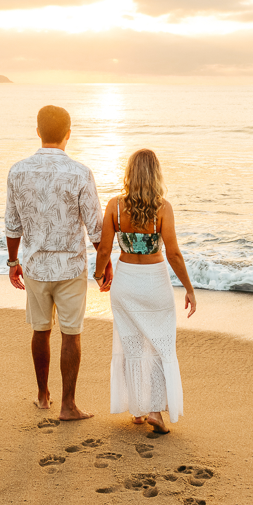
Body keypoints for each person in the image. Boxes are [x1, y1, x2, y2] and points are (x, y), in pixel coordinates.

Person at [5, 105, 113, 421]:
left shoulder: (18, 171)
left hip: (36, 266)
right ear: (68, 133)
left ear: (38, 131)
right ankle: (68, 405)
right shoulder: (80, 172)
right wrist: (103, 264)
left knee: (40, 330)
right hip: (69, 267)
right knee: (71, 335)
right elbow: (95, 226)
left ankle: (42, 395)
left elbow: (12, 224)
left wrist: (13, 261)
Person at [93, 149, 196, 434]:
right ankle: (154, 411)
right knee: (161, 345)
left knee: (132, 346)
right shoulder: (163, 208)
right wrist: (189, 289)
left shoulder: (115, 206)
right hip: (154, 283)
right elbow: (173, 254)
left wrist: (99, 274)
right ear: (156, 174)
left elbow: (104, 248)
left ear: (130, 172)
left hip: (125, 282)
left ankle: (138, 410)